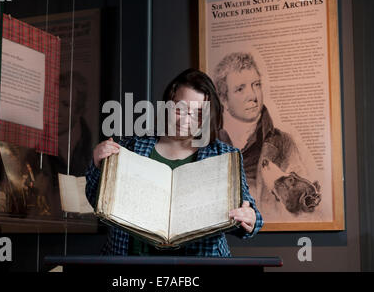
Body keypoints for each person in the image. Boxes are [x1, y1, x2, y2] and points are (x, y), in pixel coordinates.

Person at [85, 68, 263, 256]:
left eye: (198, 114)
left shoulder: (223, 156)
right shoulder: (131, 147)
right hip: (132, 262)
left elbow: (250, 214)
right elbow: (97, 201)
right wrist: (98, 165)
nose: (187, 120)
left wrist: (249, 218)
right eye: (180, 109)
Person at [213, 52, 309, 217]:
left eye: (256, 85)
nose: (253, 96)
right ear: (223, 99)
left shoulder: (283, 143)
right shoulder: (210, 143)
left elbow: (300, 209)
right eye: (240, 89)